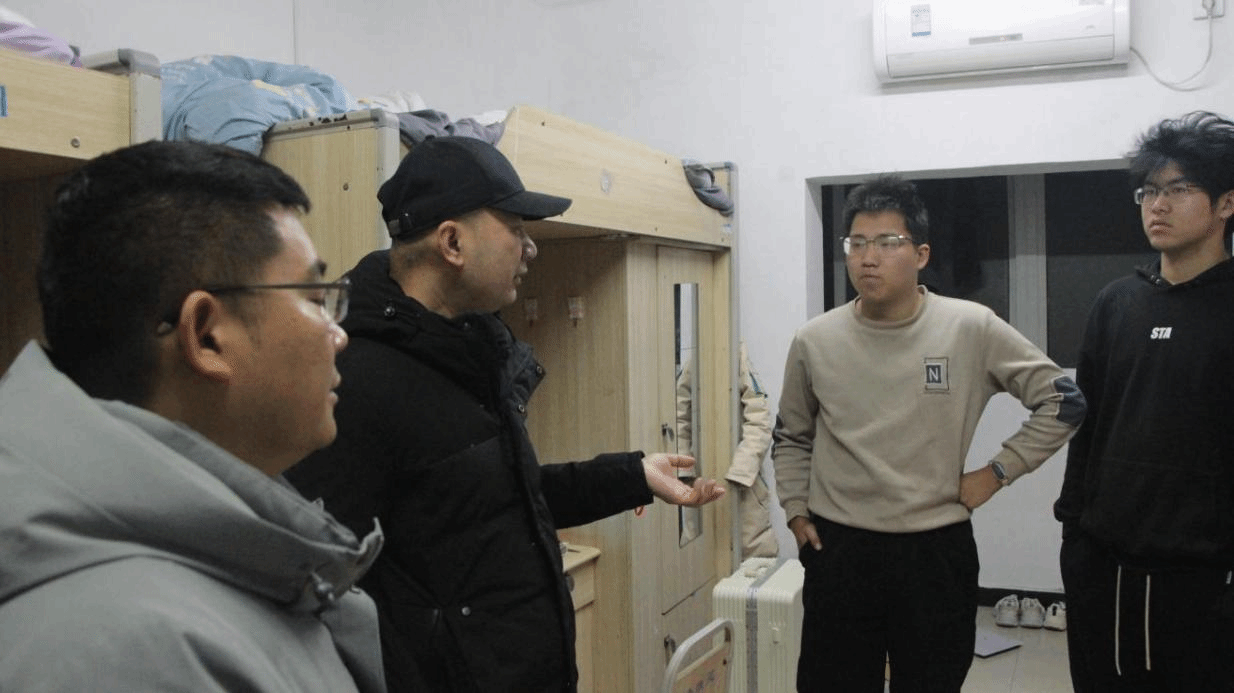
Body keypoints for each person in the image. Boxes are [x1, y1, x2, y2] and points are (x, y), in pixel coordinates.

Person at [284, 135, 725, 692]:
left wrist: (631, 475)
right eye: (515, 229)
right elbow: (322, 591)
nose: (531, 248)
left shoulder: (473, 352)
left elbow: (503, 500)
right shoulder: (354, 382)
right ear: (452, 242)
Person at [0, 140, 385, 692]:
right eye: (315, 297)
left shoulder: (209, 569)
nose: (338, 335)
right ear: (206, 336)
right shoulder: (137, 656)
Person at [772, 174, 1086, 692]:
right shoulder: (815, 340)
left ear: (921, 254)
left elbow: (1064, 401)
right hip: (839, 548)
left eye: (886, 242)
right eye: (857, 243)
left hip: (934, 552)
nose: (868, 258)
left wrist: (997, 471)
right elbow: (791, 436)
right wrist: (794, 509)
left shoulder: (969, 326)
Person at [1054, 111, 1234, 692]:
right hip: (1102, 562)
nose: (1158, 205)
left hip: (1202, 574)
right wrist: (1073, 534)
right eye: (1149, 191)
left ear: (1226, 203)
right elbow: (1088, 426)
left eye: (1179, 189)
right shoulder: (1117, 303)